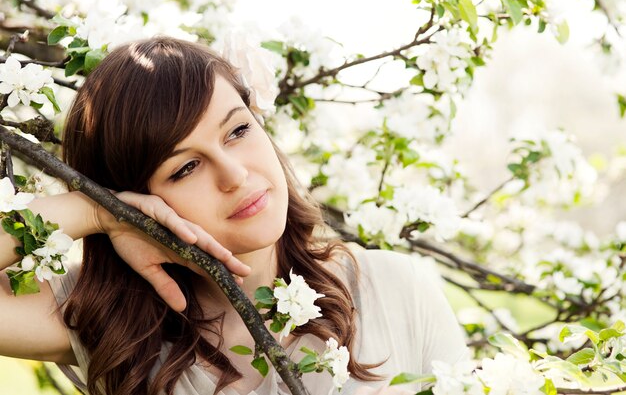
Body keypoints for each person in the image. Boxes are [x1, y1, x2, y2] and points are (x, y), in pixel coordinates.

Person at [0, 36, 469, 395]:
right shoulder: (109, 320)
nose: (234, 174)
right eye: (185, 168)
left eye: (238, 130)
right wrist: (98, 211)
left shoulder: (396, 289)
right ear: (137, 197)